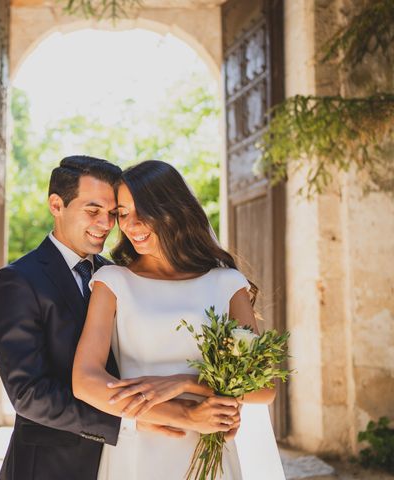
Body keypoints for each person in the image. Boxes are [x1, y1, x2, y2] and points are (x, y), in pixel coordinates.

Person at [0, 156, 241, 480]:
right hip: (53, 467)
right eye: (93, 211)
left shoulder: (119, 273)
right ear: (56, 205)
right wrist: (131, 419)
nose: (106, 224)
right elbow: (29, 395)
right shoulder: (19, 280)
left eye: (112, 214)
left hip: (129, 461)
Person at [72, 160, 285, 480]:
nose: (132, 224)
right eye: (123, 213)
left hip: (210, 449)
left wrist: (185, 383)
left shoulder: (226, 283)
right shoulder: (112, 280)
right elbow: (85, 381)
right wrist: (186, 415)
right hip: (138, 451)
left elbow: (265, 388)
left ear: (173, 208)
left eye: (143, 211)